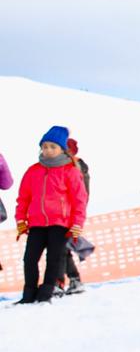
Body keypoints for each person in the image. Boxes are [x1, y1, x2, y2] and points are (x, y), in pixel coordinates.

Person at [13, 126, 89, 304]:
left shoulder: (70, 171)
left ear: (62, 149)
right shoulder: (33, 171)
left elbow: (79, 200)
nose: (47, 150)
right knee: (29, 259)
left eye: (52, 147)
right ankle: (28, 294)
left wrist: (77, 223)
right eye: (45, 146)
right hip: (37, 223)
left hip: (60, 223)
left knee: (54, 258)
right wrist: (21, 219)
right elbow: (23, 198)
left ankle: (46, 293)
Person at [57, 137, 93, 295]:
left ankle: (59, 283)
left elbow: (81, 195)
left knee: (58, 248)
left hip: (67, 214)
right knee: (62, 248)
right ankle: (74, 280)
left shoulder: (75, 167)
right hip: (61, 213)